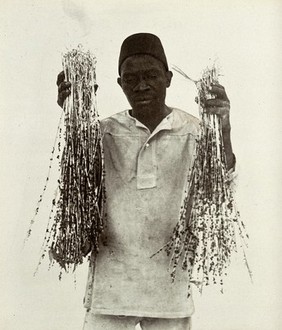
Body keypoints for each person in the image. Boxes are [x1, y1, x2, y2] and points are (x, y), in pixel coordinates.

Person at [57, 33, 235, 330]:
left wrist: (224, 127)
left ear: (168, 78)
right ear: (119, 84)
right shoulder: (103, 132)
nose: (141, 86)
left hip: (169, 289)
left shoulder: (194, 130)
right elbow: (77, 183)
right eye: (131, 79)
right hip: (111, 290)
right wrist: (73, 114)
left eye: (151, 76)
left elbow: (221, 182)